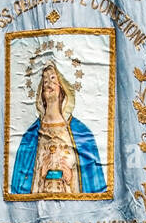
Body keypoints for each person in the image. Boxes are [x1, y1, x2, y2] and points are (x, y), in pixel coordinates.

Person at [10, 62, 106, 196]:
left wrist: (71, 175)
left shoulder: (81, 133)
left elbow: (92, 181)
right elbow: (20, 183)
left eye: (53, 78)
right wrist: (40, 172)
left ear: (62, 87)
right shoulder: (30, 136)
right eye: (45, 80)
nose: (48, 83)